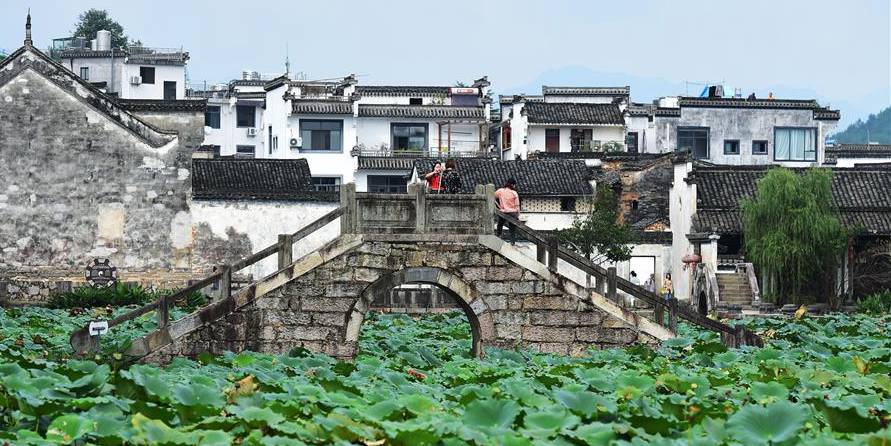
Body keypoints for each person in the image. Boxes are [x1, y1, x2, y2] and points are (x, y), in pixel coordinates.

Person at [494, 178, 520, 242]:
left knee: (500, 224)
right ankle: (512, 242)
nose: (515, 186)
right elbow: (517, 206)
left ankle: (498, 237)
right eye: (514, 185)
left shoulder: (500, 191)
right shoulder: (514, 193)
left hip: (503, 211)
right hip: (513, 212)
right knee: (512, 227)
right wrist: (518, 215)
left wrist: (498, 206)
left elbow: (491, 196)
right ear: (512, 185)